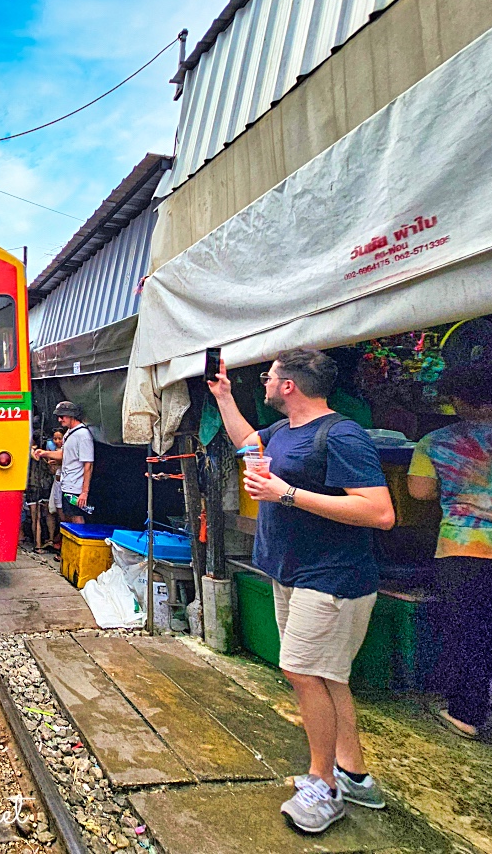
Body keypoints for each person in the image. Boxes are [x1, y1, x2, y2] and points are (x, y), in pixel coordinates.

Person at [208, 348, 395, 834]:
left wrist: (285, 493)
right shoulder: (282, 433)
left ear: (288, 386)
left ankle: (323, 785)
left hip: (331, 578)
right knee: (329, 678)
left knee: (302, 672)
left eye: (269, 377)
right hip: (292, 573)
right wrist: (224, 397)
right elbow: (249, 442)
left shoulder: (342, 434)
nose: (265, 384)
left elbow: (379, 512)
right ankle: (354, 775)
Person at [407, 367, 492, 740]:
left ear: (461, 398)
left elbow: (419, 493)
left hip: (462, 550)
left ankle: (466, 714)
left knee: (468, 634)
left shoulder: (435, 441)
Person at [34, 402, 95, 525]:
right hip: (66, 483)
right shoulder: (68, 433)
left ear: (71, 416)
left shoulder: (83, 435)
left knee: (76, 517)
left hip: (77, 487)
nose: (59, 419)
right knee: (66, 516)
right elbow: (64, 454)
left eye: (62, 416)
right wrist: (44, 453)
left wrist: (84, 492)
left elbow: (88, 464)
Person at [26, 432, 55, 551]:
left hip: (33, 485)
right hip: (46, 484)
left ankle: (37, 544)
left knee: (35, 517)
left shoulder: (29, 451)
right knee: (49, 514)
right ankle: (51, 539)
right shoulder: (48, 452)